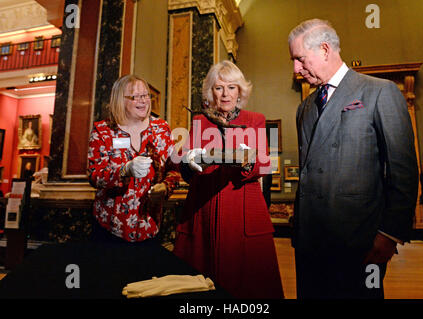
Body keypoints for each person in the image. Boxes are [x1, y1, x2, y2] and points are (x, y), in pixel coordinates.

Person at [288, 19, 418, 299]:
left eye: (299, 59)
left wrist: (389, 235)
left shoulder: (379, 92)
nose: (295, 68)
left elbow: (403, 171)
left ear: (324, 49)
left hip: (360, 244)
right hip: (309, 243)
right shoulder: (305, 108)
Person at [173, 60, 284, 299]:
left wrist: (248, 160)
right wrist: (188, 160)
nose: (225, 94)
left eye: (232, 87)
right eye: (219, 87)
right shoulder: (200, 121)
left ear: (241, 91)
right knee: (200, 282)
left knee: (249, 285)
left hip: (242, 205)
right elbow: (184, 161)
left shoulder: (255, 119)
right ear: (210, 91)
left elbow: (266, 163)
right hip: (203, 205)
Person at [88, 74, 180, 244]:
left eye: (145, 95)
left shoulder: (161, 128)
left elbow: (174, 169)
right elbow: (95, 176)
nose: (143, 100)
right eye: (135, 96)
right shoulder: (103, 131)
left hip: (149, 225)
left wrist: (165, 187)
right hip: (110, 228)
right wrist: (124, 170)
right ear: (119, 99)